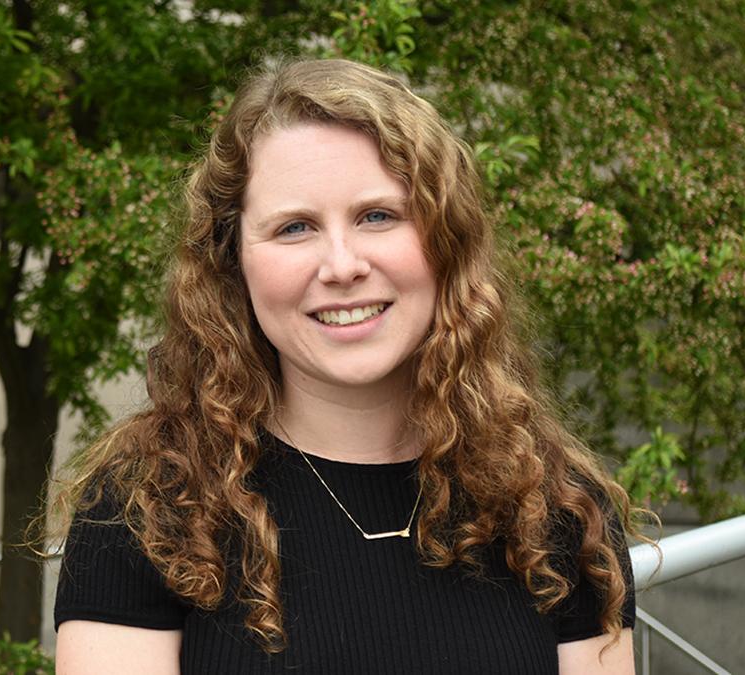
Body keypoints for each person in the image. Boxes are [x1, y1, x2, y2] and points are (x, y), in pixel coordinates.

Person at [51, 58, 639, 675]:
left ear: (446, 241)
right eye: (295, 227)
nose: (341, 265)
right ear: (233, 264)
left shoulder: (559, 508)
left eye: (377, 216)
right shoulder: (148, 507)